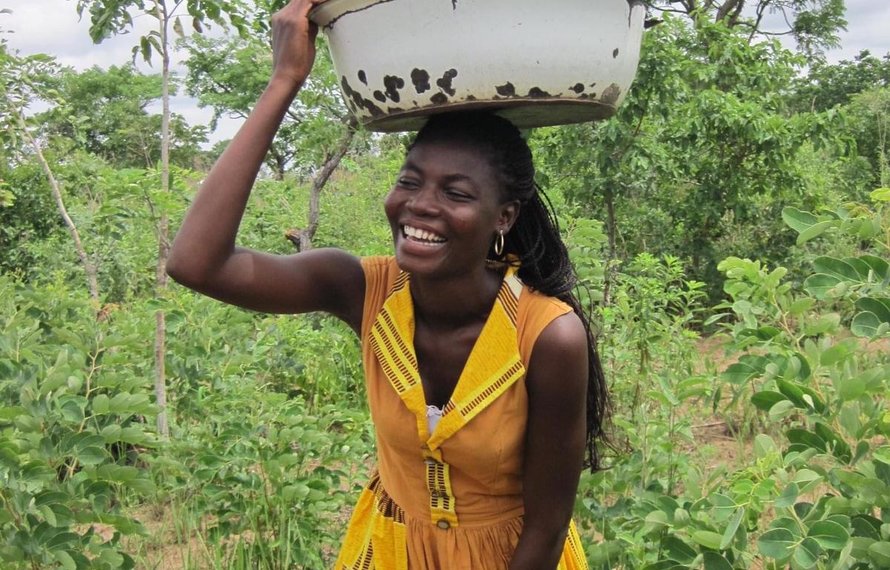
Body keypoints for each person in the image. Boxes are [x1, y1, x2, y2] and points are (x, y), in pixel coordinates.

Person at [166, 0, 609, 568]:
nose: (419, 207)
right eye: (410, 181)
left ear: (504, 217)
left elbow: (546, 530)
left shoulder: (548, 336)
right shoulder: (360, 288)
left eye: (456, 193)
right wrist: (284, 81)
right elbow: (196, 263)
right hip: (391, 550)